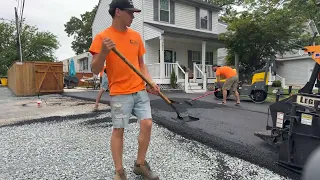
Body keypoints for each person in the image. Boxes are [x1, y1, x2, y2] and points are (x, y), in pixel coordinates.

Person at [89, 0, 160, 179]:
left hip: (140, 90)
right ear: (118, 12)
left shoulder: (135, 36)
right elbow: (95, 70)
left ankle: (140, 164)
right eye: (130, 12)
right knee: (119, 130)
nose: (133, 16)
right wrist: (104, 52)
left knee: (147, 124)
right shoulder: (102, 38)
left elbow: (141, 64)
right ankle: (120, 171)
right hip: (119, 93)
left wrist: (150, 81)